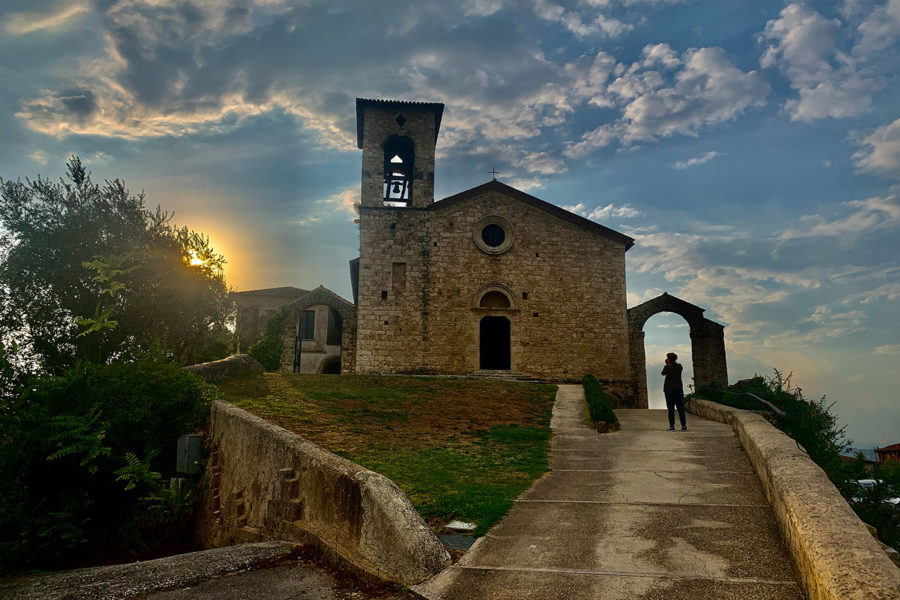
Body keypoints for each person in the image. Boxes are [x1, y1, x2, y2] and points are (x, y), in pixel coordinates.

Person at [661, 352, 686, 431]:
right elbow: (677, 368)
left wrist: (667, 364)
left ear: (669, 359)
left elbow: (662, 373)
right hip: (678, 390)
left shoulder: (667, 367)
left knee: (671, 408)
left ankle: (672, 426)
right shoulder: (679, 366)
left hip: (669, 390)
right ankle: (684, 426)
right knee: (681, 408)